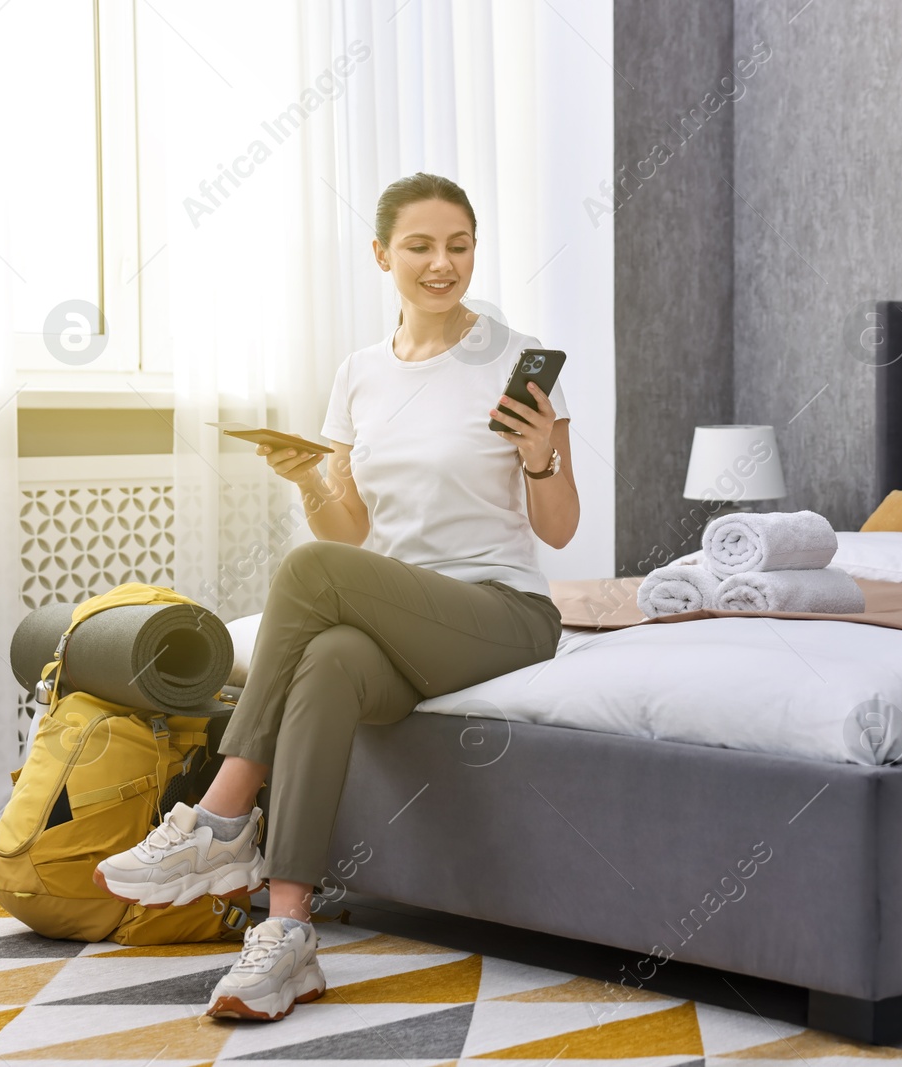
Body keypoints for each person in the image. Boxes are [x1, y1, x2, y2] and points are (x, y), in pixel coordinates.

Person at [92, 172, 577, 1021]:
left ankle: (219, 815)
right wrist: (315, 480)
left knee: (307, 581)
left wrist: (542, 456)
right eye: (421, 246)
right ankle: (288, 933)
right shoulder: (359, 376)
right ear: (382, 253)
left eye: (459, 246)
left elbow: (561, 528)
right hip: (399, 618)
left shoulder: (513, 358)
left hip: (502, 611)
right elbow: (346, 537)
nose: (441, 264)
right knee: (326, 658)